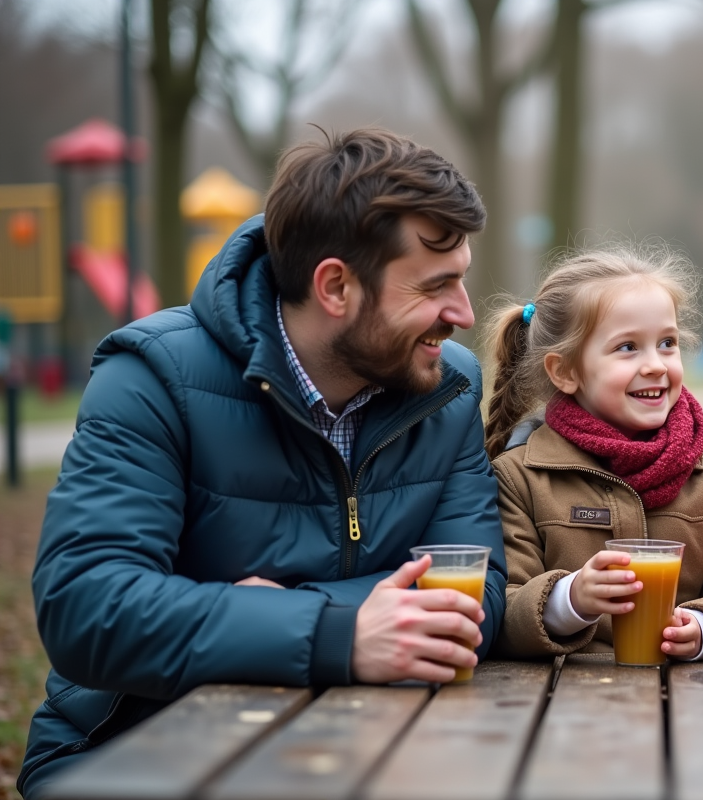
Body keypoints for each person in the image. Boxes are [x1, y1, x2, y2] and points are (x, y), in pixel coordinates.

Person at [18, 128, 507, 798]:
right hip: (136, 755)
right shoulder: (151, 380)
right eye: (436, 286)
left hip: (365, 746)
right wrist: (338, 634)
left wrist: (283, 619)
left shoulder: (447, 388)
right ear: (336, 286)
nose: (463, 313)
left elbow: (476, 600)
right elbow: (88, 607)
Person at [483, 245, 703, 661]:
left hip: (693, 705)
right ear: (565, 371)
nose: (656, 364)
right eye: (627, 347)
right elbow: (498, 610)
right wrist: (570, 601)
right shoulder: (521, 477)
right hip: (559, 707)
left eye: (667, 343)